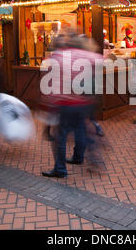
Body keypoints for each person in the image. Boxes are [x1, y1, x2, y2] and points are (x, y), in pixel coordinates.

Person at [41, 32, 101, 178]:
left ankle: (60, 169)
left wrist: (49, 103)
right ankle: (82, 156)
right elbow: (100, 60)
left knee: (60, 136)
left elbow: (52, 83)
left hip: (64, 103)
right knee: (81, 129)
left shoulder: (58, 56)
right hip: (82, 102)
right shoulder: (84, 55)